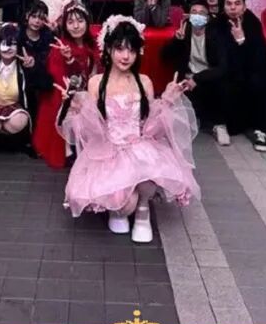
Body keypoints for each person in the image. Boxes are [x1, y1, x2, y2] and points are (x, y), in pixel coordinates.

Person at [61, 17, 199, 243]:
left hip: (139, 144)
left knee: (149, 177)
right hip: (108, 149)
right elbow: (92, 130)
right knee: (123, 204)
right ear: (108, 49)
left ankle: (143, 211)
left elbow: (151, 126)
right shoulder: (96, 82)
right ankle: (122, 209)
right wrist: (79, 109)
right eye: (120, 49)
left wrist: (167, 101)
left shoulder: (144, 81)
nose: (126, 56)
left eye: (132, 50)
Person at [34, 3, 97, 169]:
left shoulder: (93, 46)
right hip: (66, 95)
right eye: (70, 22)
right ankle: (68, 147)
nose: (76, 26)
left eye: (80, 21)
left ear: (87, 22)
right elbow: (59, 80)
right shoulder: (60, 48)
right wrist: (69, 59)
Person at [161, 0, 232, 145]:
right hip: (187, 78)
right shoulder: (184, 32)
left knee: (222, 85)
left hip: (208, 77)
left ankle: (219, 125)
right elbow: (164, 56)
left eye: (201, 13)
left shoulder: (216, 35)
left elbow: (223, 67)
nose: (197, 16)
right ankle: (194, 119)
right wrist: (176, 40)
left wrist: (198, 78)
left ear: (207, 18)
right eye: (194, 12)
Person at [217, 0, 266, 152]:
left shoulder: (252, 22)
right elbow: (219, 53)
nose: (232, 8)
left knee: (263, 80)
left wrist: (242, 40)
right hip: (228, 70)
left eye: (237, 4)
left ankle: (263, 130)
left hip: (251, 70)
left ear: (244, 7)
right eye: (229, 4)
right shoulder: (218, 23)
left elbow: (259, 54)